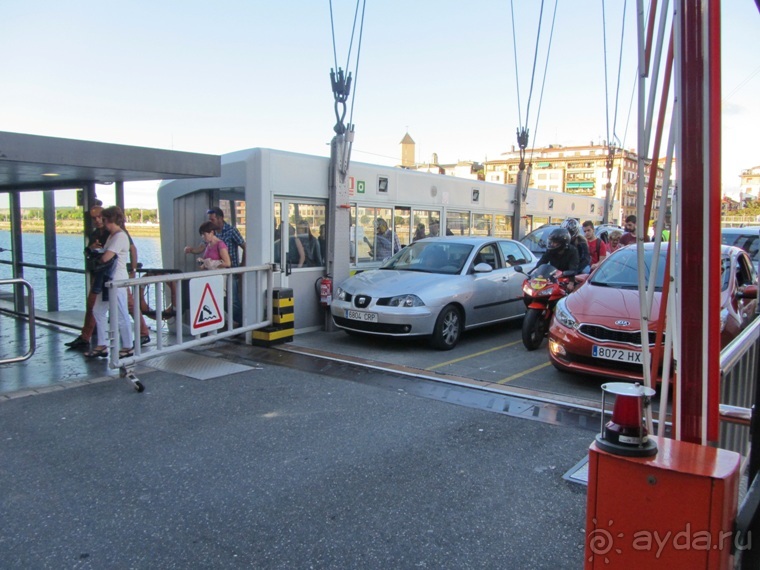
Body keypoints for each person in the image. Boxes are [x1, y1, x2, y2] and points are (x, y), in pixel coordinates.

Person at [85, 206, 134, 359]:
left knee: (120, 312)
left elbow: (106, 258)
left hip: (116, 279)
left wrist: (96, 255)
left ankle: (127, 346)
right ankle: (102, 344)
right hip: (108, 279)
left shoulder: (119, 236)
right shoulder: (112, 236)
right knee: (98, 311)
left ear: (110, 219)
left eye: (103, 219)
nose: (101, 222)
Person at [65, 205, 111, 349]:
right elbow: (88, 254)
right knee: (93, 306)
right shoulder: (95, 234)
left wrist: (133, 270)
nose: (97, 220)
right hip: (98, 275)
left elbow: (129, 250)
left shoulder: (114, 233)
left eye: (99, 217)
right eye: (94, 218)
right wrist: (91, 249)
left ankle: (141, 333)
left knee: (127, 306)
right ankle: (87, 337)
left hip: (111, 275)